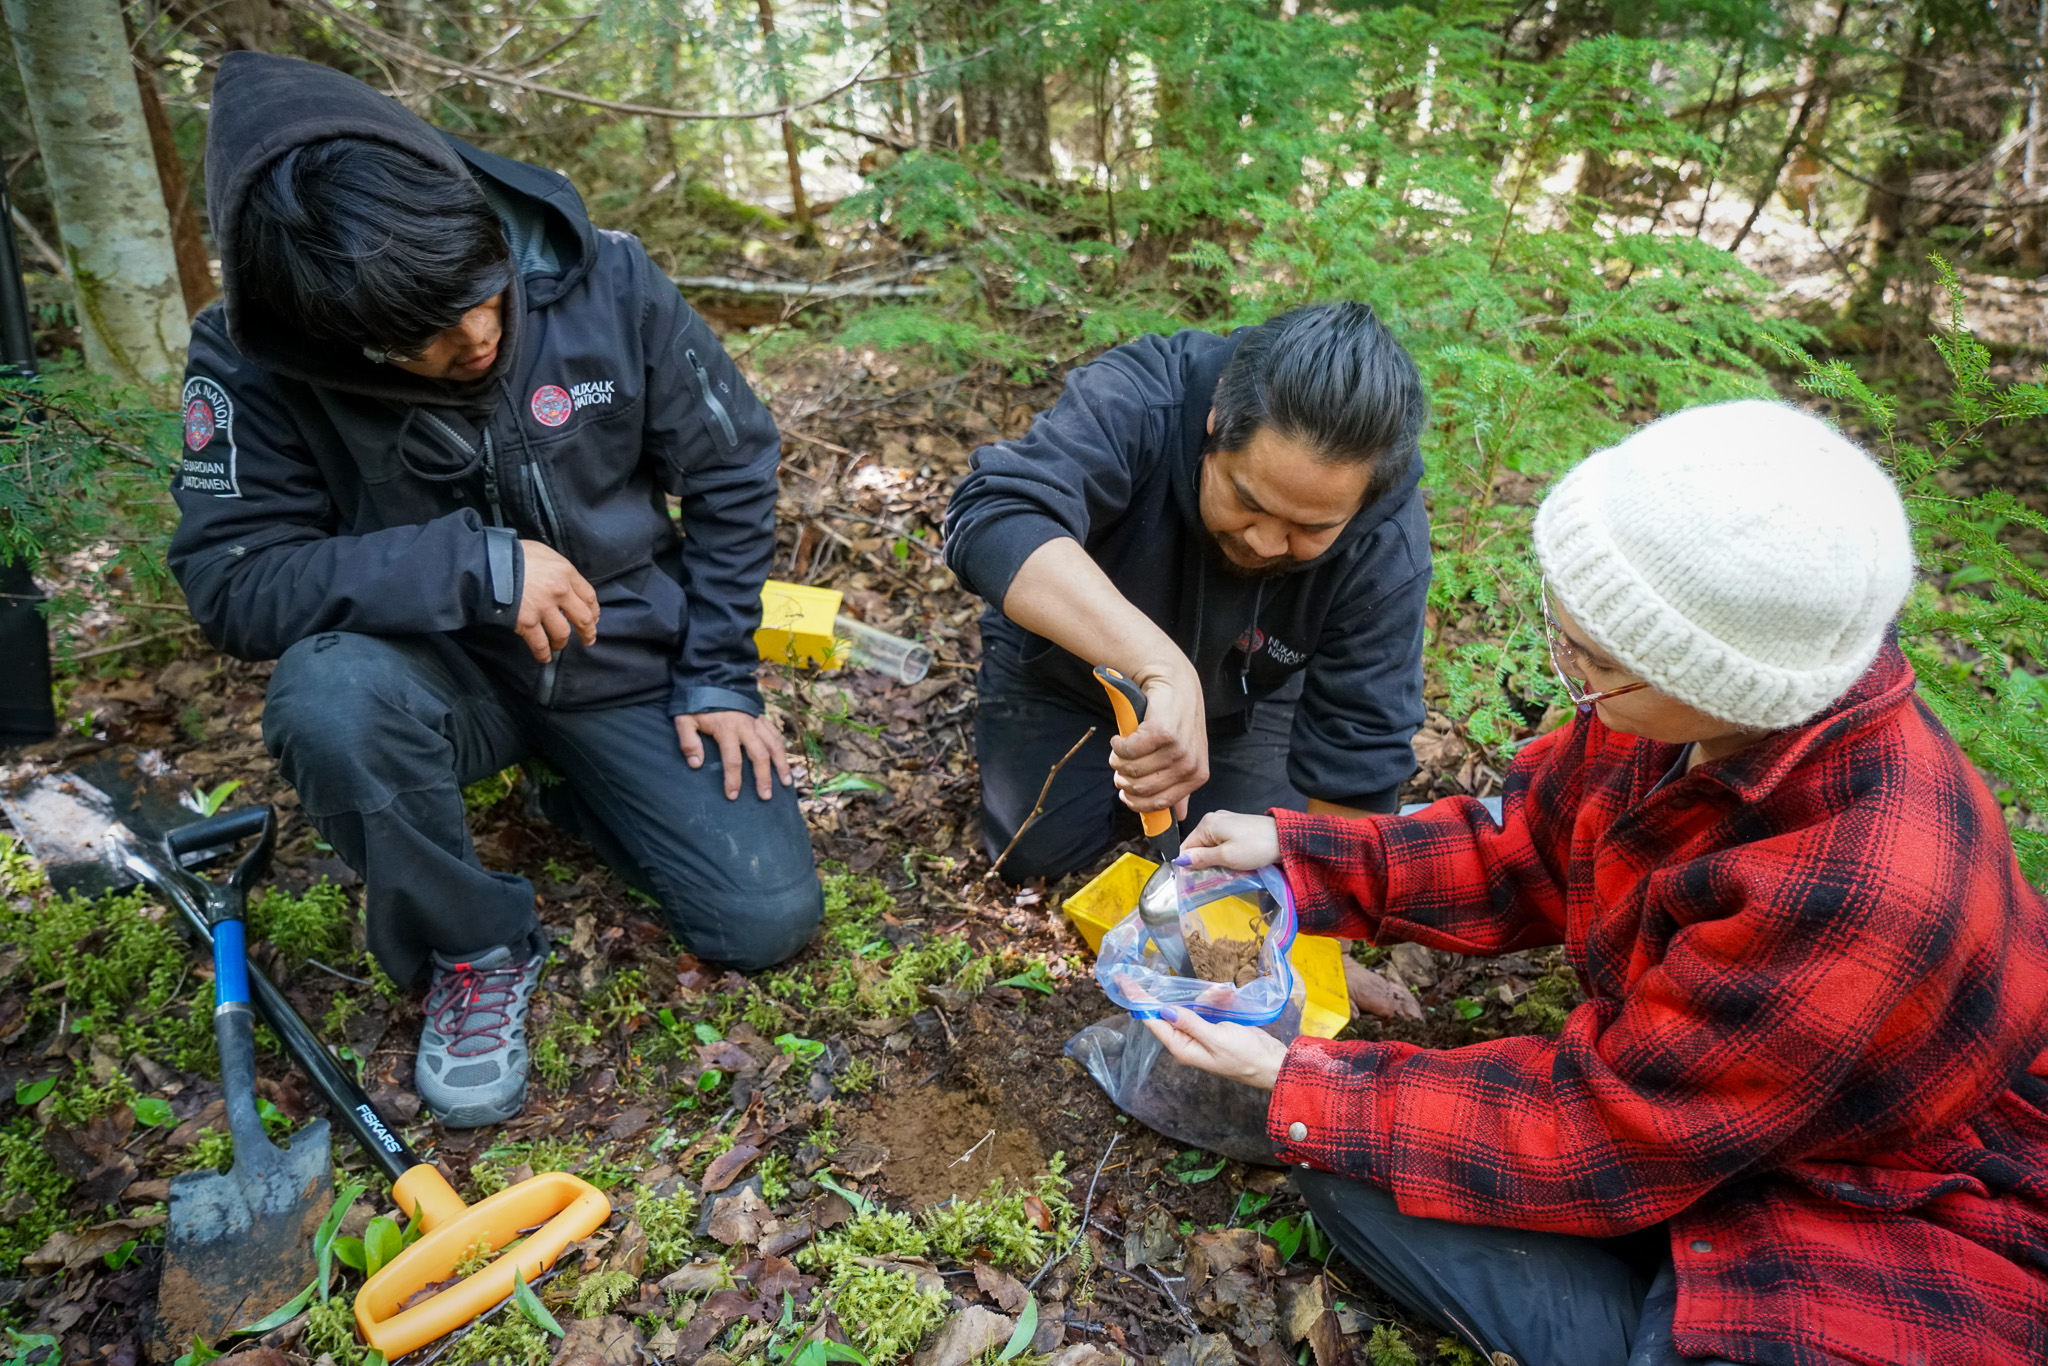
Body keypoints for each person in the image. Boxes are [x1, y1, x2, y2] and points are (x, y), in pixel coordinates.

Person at [1148, 400, 2048, 1366]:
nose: (1567, 670)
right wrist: (1302, 855)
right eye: (1564, 628)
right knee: (1348, 1160)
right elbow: (1527, 849)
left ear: (1723, 683)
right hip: (1709, 1102)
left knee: (1707, 1336)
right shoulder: (1673, 720)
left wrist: (1300, 1079)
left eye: (1596, 659)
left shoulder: (1860, 880)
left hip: (1885, 1193)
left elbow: (1616, 1125)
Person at [168, 53, 823, 1128]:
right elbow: (231, 583)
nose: (473, 338)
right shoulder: (249, 360)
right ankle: (472, 945)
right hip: (435, 673)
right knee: (327, 701)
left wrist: (718, 673)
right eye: (417, 336)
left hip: (621, 654)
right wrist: (468, 565)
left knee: (767, 917)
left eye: (481, 296)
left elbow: (731, 469)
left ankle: (578, 786)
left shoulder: (600, 275)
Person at [943, 304, 1432, 896]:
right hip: (1060, 671)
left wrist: (1323, 930)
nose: (1264, 540)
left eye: (1312, 528)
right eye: (1247, 499)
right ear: (1216, 417)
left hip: (1245, 700)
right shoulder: (1143, 398)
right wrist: (1162, 667)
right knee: (1037, 861)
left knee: (1245, 882)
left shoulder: (1386, 542)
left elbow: (1362, 748)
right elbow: (993, 517)